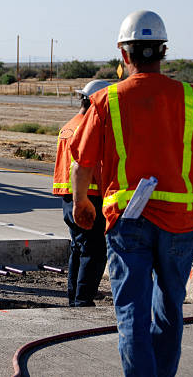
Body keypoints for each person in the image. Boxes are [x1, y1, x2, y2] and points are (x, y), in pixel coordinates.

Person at [70, 10, 193, 376]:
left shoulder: (107, 101)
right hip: (180, 223)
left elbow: (82, 162)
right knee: (170, 308)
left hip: (128, 221)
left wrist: (81, 201)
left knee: (132, 310)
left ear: (124, 53)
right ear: (162, 51)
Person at [53, 80, 110, 307]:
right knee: (94, 250)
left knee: (78, 248)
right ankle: (83, 301)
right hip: (89, 197)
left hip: (69, 197)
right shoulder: (89, 128)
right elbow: (92, 166)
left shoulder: (68, 126)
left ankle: (75, 298)